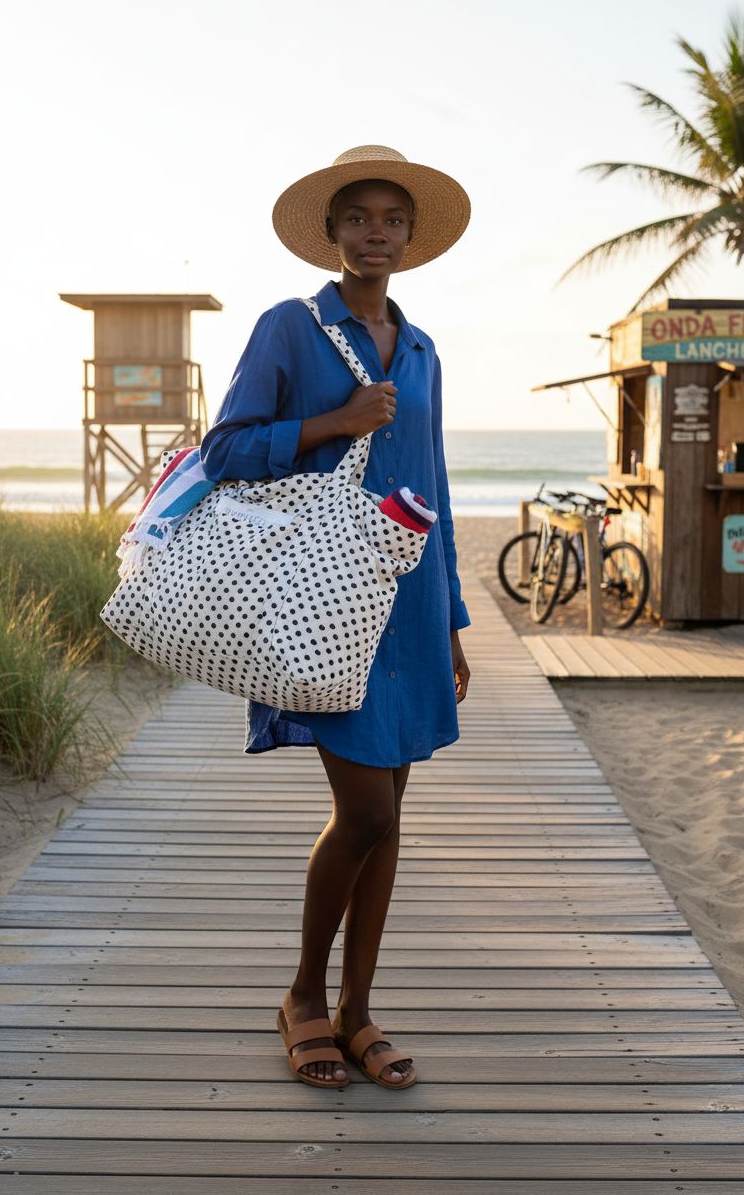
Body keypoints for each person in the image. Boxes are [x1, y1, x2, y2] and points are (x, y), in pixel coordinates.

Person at [198, 145, 472, 1089]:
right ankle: (304, 995)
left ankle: (358, 1012)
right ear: (331, 232)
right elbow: (224, 453)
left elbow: (432, 484)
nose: (375, 234)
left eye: (391, 219)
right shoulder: (289, 328)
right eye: (357, 217)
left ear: (411, 236)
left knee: (391, 817)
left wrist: (453, 619)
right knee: (360, 811)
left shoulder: (426, 347)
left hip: (410, 608)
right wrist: (335, 423)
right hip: (320, 602)